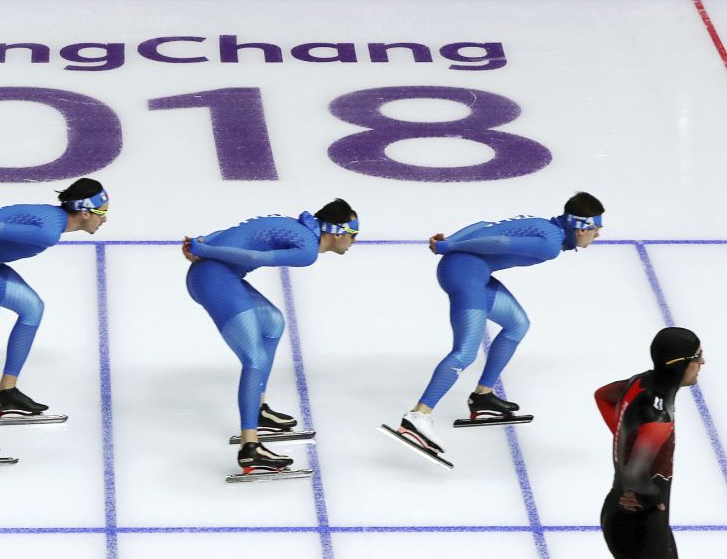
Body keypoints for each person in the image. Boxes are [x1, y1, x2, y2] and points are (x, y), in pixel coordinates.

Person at [388, 192, 604, 462]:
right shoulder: (550, 243)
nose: (597, 236)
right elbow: (499, 241)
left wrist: (453, 240)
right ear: (580, 227)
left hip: (473, 271)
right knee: (465, 352)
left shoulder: (546, 225)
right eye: (595, 229)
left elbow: (483, 224)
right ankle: (417, 417)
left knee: (517, 324)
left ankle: (483, 396)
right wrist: (451, 247)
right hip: (464, 273)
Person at [0, 178, 108, 460]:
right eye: (101, 213)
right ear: (85, 212)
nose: (105, 219)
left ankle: (6, 393)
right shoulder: (50, 230)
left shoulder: (52, 219)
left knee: (33, 308)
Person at [183, 199, 358, 476]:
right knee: (254, 358)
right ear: (336, 232)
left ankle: (258, 406)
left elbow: (237, 231)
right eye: (353, 234)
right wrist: (204, 249)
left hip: (216, 273)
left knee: (273, 323)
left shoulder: (298, 227)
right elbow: (255, 258)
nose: (354, 241)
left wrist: (205, 242)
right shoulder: (308, 249)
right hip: (214, 280)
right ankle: (250, 446)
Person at [595, 327, 704, 559]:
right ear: (679, 364)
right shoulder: (659, 418)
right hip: (641, 526)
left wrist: (625, 436)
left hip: (623, 514)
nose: (702, 362)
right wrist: (650, 498)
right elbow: (635, 474)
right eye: (697, 357)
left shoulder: (639, 381)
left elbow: (602, 395)